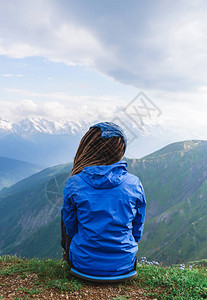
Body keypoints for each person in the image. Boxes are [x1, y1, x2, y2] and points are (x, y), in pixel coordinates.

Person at [61, 121, 146, 276]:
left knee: (66, 214)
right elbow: (137, 228)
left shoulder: (75, 182)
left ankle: (69, 258)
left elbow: (70, 227)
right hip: (124, 265)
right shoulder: (134, 183)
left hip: (82, 265)